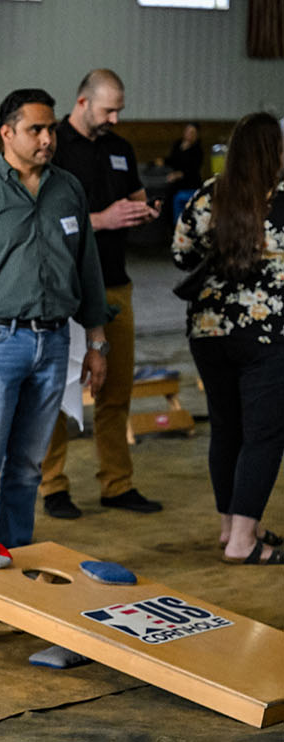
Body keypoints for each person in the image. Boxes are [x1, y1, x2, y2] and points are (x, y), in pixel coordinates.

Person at [0, 89, 110, 560]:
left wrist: (97, 344)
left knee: (28, 465)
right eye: (36, 130)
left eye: (51, 129)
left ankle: (10, 560)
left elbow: (88, 271)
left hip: (53, 342)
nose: (48, 139)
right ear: (7, 133)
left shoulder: (68, 190)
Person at [37, 69, 162, 521]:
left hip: (114, 282)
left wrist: (144, 211)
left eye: (119, 111)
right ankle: (52, 485)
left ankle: (117, 483)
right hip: (65, 288)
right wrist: (103, 220)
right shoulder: (53, 148)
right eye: (108, 110)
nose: (115, 119)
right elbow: (43, 218)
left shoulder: (120, 148)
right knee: (56, 389)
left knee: (116, 387)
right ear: (83, 103)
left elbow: (135, 195)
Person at [172, 112, 284, 566]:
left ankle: (230, 528)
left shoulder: (208, 195)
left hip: (209, 331)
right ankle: (243, 541)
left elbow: (181, 256)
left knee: (226, 428)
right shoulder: (281, 200)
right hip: (267, 335)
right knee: (264, 434)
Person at [165, 122, 204, 222]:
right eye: (188, 131)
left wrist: (179, 175)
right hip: (176, 182)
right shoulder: (178, 144)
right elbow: (172, 160)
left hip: (190, 182)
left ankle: (178, 223)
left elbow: (193, 170)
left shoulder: (197, 150)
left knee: (174, 196)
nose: (189, 134)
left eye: (192, 132)